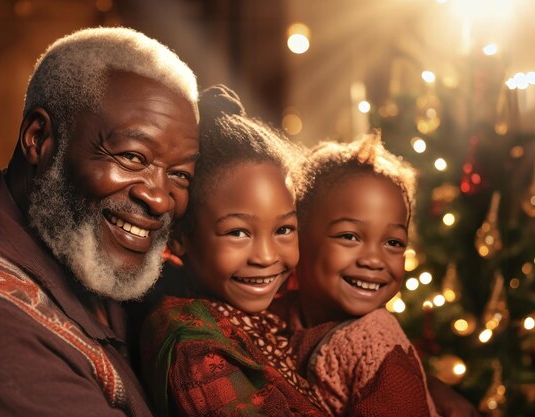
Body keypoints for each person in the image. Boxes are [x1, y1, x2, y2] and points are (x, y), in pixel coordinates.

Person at [0, 27, 199, 416]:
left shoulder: (87, 251)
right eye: (132, 157)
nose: (160, 198)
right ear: (38, 138)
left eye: (180, 174)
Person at [139, 85, 324, 416]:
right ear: (180, 236)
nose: (266, 257)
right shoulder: (195, 347)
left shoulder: (265, 312)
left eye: (283, 229)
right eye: (238, 232)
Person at [274, 132, 478, 416]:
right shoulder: (280, 314)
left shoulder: (374, 345)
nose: (373, 260)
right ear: (297, 236)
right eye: (349, 236)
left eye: (393, 243)